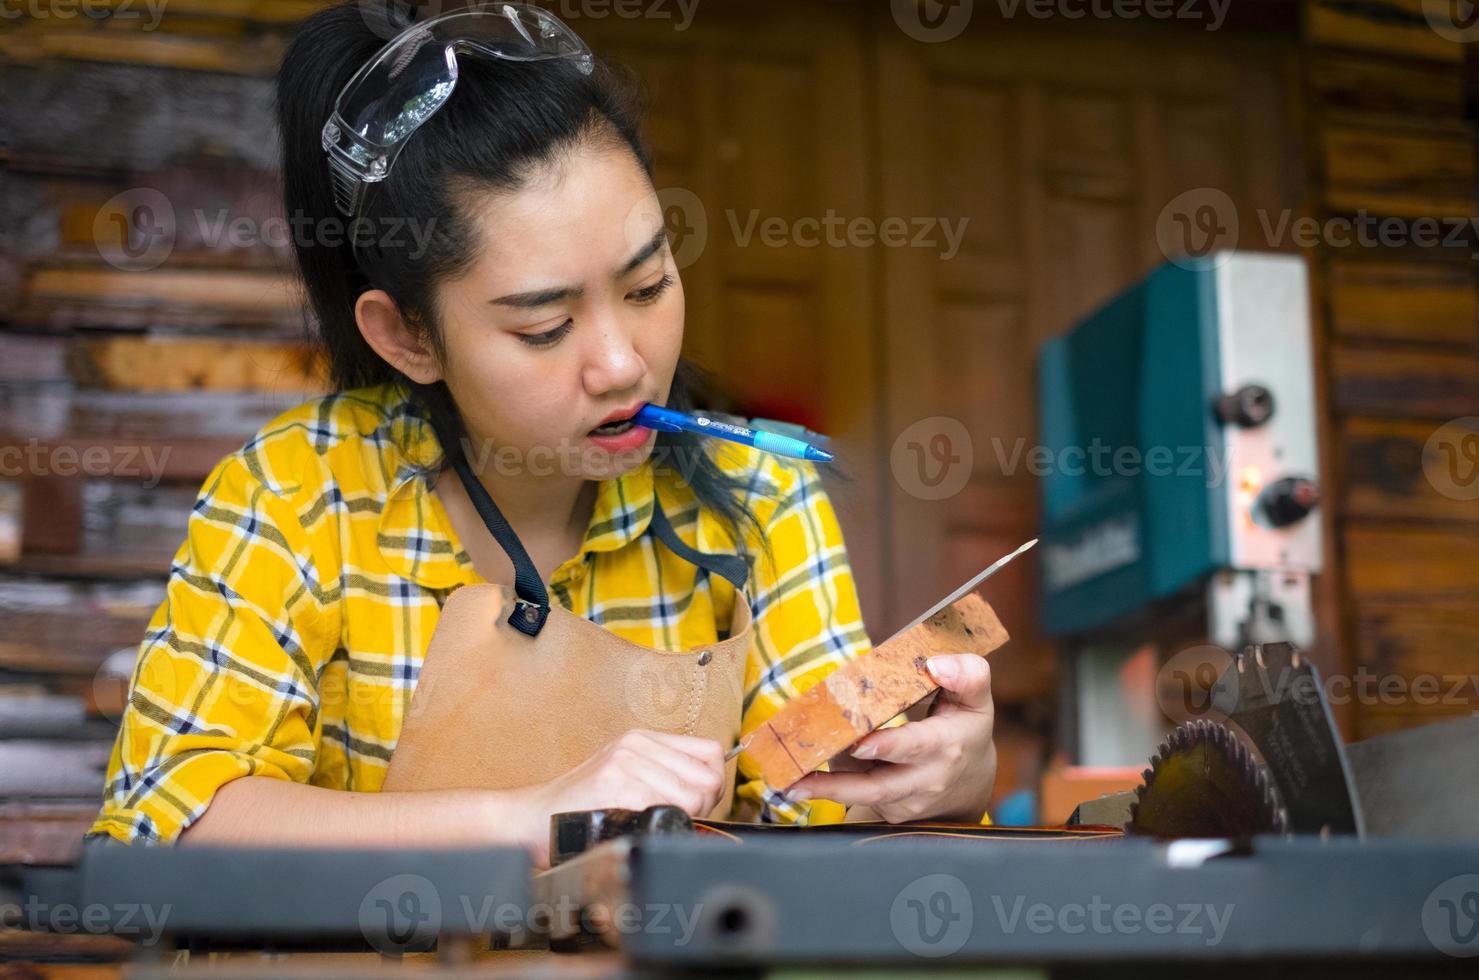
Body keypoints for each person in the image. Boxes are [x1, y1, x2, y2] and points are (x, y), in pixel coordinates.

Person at [89, 1, 996, 866]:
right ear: (407, 336)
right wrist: (525, 818)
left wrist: (941, 786)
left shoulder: (759, 493)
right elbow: (170, 829)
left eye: (646, 288)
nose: (622, 363)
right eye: (544, 327)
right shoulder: (299, 487)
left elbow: (828, 821)